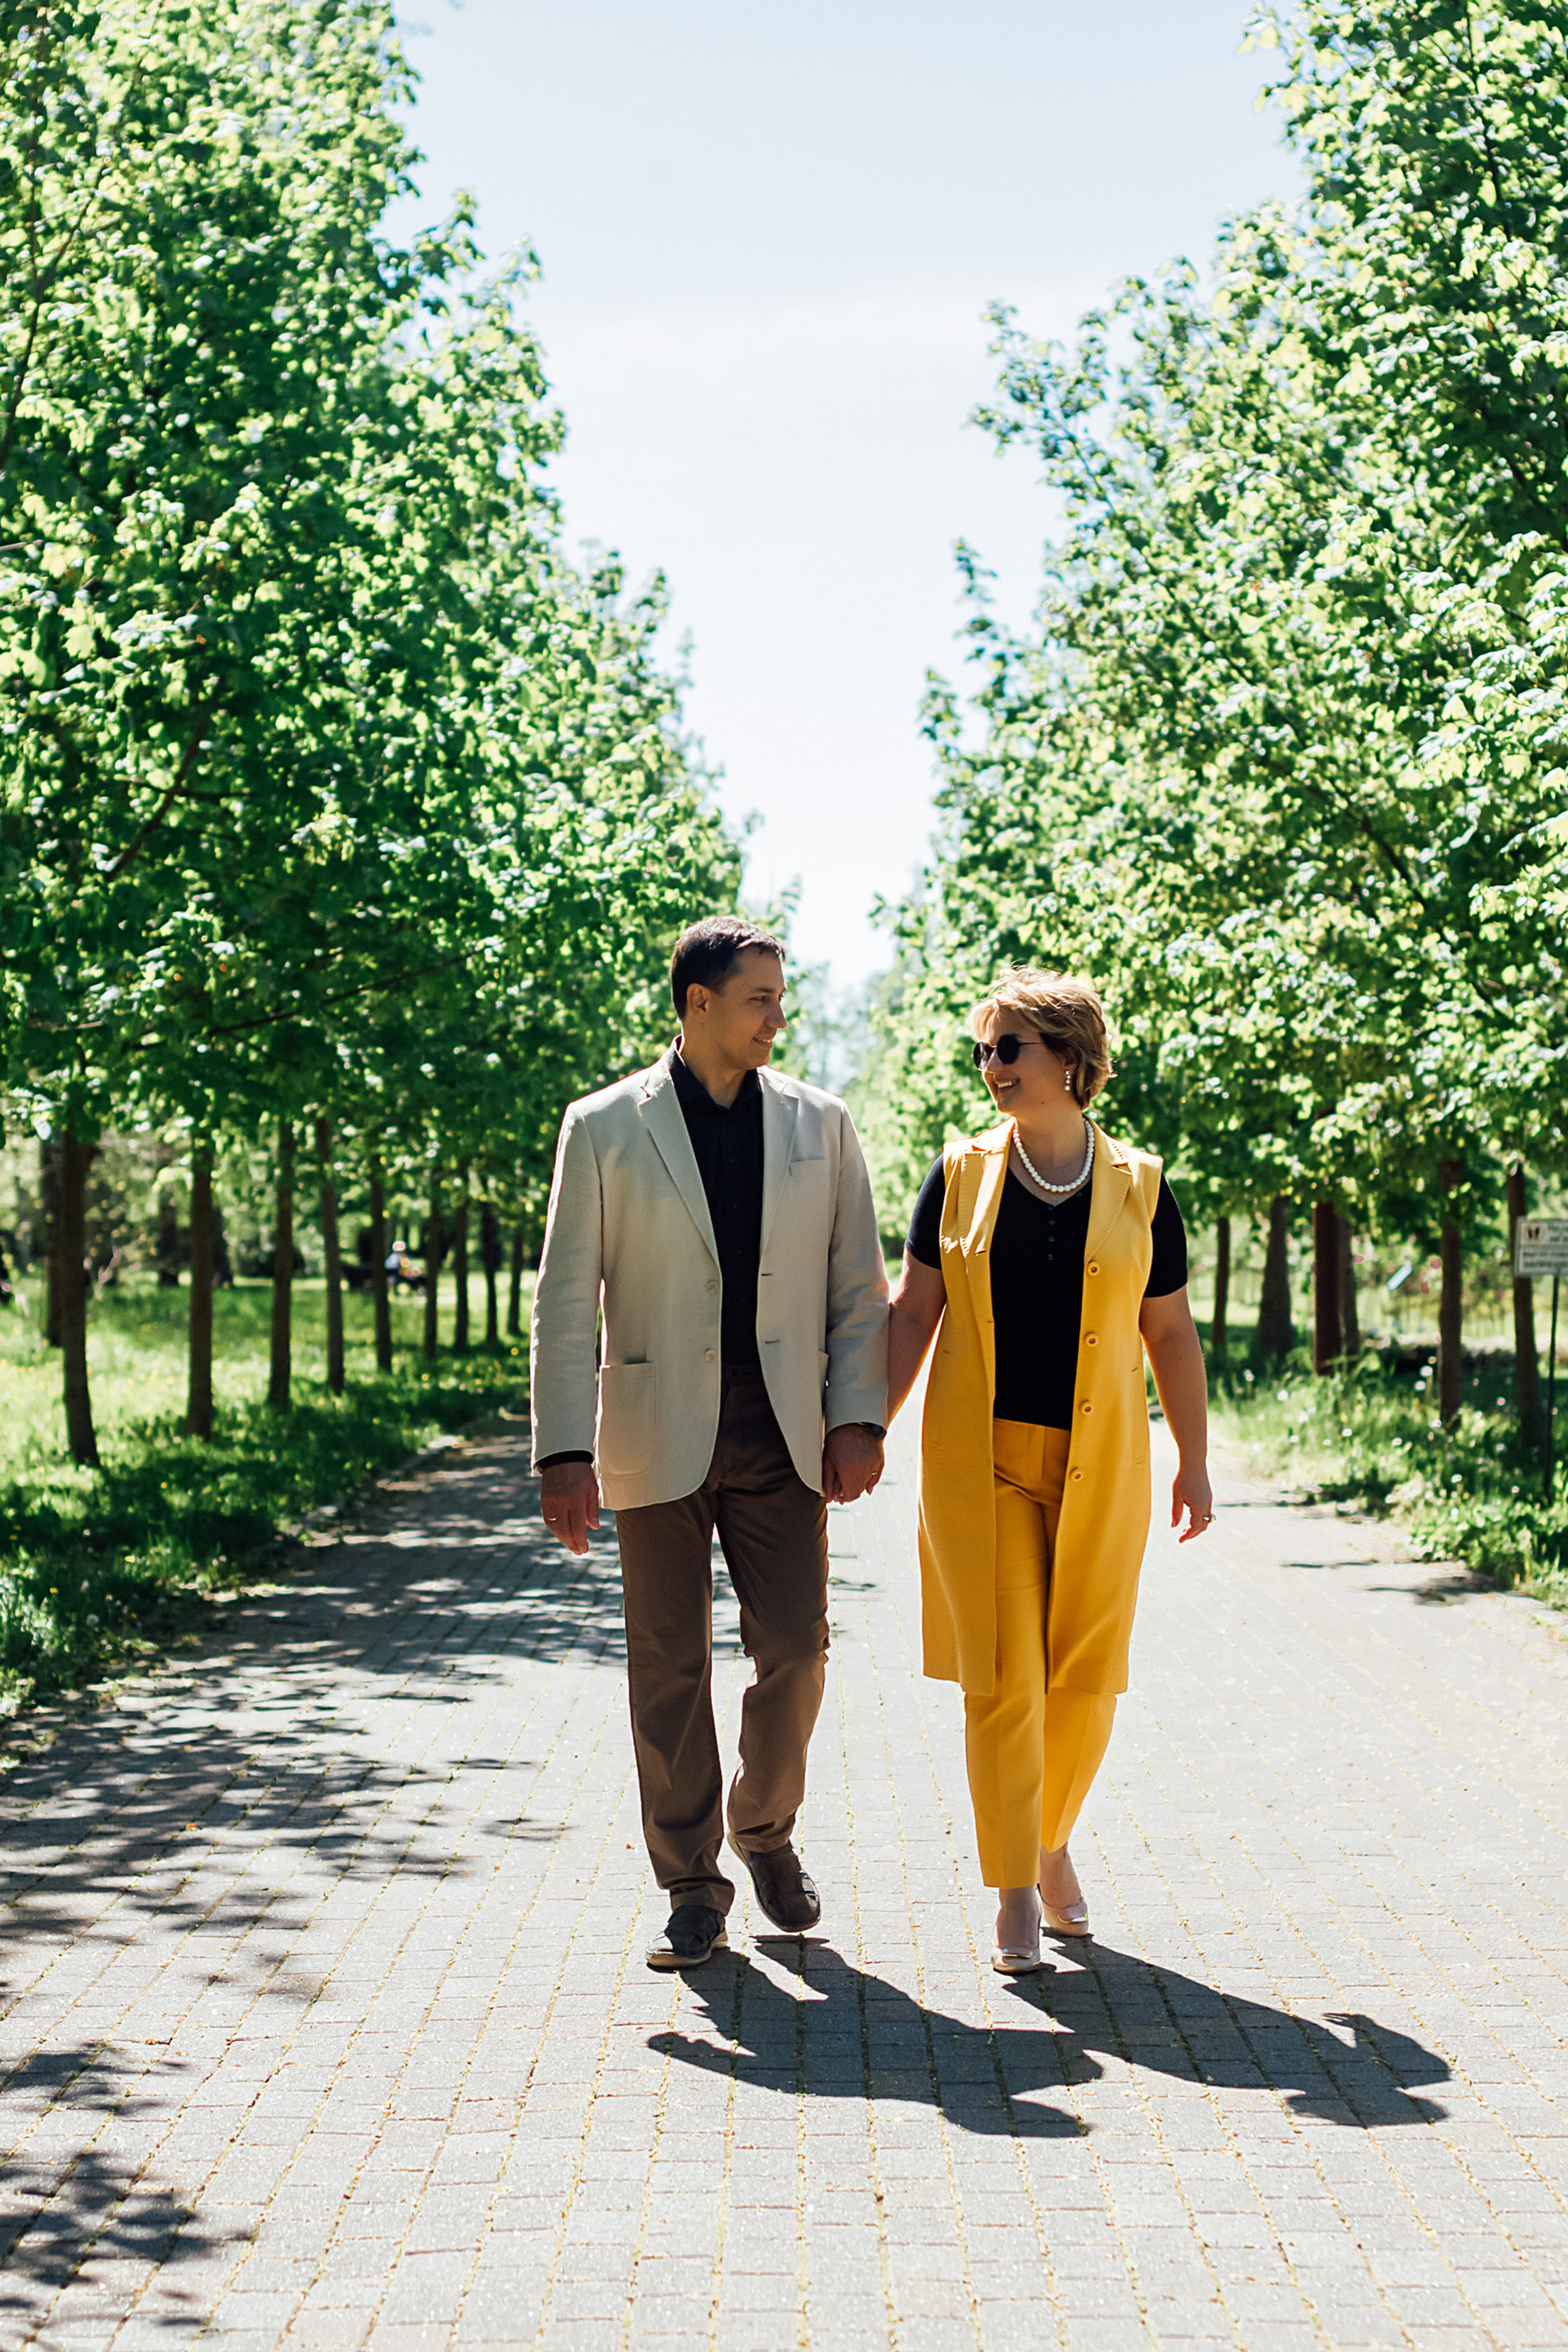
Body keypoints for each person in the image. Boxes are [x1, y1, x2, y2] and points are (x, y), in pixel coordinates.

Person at [531, 916, 889, 1969]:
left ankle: (764, 1827)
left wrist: (857, 1417)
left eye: (781, 996)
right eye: (761, 999)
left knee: (795, 1650)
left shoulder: (822, 1124)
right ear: (699, 1004)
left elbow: (855, 1288)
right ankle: (693, 1884)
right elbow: (564, 1301)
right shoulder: (602, 1126)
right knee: (668, 1667)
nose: (780, 1015)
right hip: (652, 1422)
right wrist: (563, 1451)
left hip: (784, 1428)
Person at [886, 970, 1212, 1973]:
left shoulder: (1141, 1188)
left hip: (1099, 1467)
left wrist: (1194, 1457)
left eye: (1009, 1048)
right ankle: (1016, 1891)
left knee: (1085, 1683)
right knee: (1006, 1682)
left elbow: (1170, 1330)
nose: (991, 1068)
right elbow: (913, 1313)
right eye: (984, 1050)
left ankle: (1050, 1833)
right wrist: (856, 1432)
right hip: (980, 1465)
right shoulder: (958, 1174)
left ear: (1071, 1061)